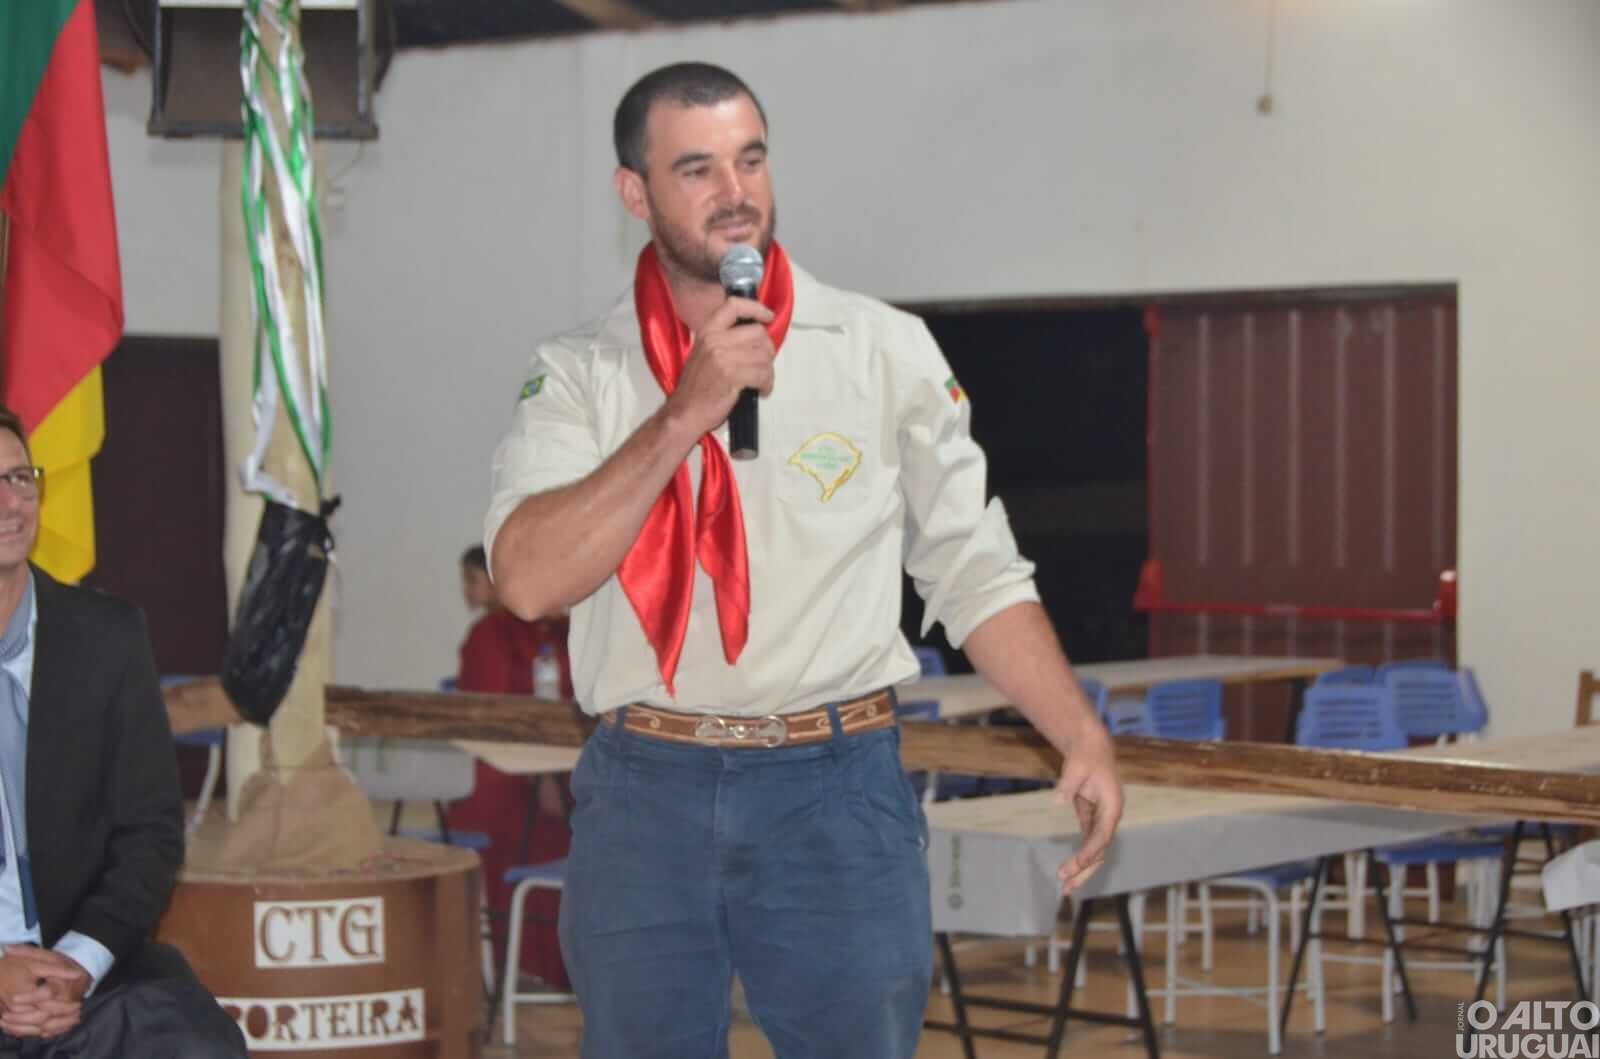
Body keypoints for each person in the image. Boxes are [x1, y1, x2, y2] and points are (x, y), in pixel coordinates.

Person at [484, 62, 1122, 1058]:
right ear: (634, 193)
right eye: (695, 169)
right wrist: (683, 415)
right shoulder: (579, 372)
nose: (733, 192)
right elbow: (526, 578)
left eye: (750, 159)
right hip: (645, 792)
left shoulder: (880, 349)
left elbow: (974, 568)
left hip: (835, 791)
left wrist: (1074, 731)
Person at [0, 406, 246, 1057]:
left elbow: (151, 831)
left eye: (21, 478)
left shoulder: (107, 638)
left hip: (86, 971)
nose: (10, 501)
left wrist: (76, 962)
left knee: (199, 1041)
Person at [447, 544, 572, 987]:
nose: (466, 590)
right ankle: (526, 961)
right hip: (513, 772)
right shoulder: (492, 634)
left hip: (537, 775)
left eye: (472, 579)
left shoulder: (551, 632)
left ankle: (537, 963)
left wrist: (547, 776)